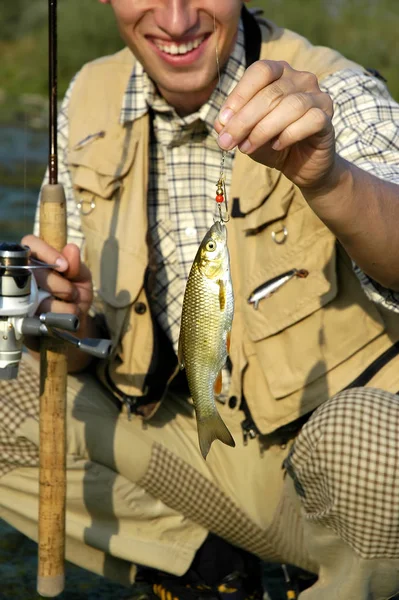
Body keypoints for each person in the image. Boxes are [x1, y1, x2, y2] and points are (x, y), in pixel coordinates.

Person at [1, 1, 399, 598]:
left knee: (373, 444)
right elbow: (84, 351)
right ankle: (204, 568)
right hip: (200, 448)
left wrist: (329, 179)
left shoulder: (332, 88)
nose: (177, 17)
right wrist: (69, 318)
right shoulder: (88, 96)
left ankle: (338, 569)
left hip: (344, 467)